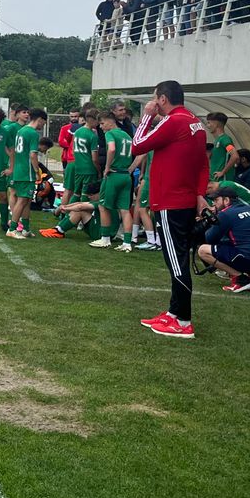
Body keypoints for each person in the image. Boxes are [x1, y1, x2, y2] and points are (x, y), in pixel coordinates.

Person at [131, 80, 209, 339]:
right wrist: (199, 194)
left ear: (163, 99)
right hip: (181, 199)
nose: (154, 102)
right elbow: (202, 165)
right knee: (177, 259)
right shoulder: (195, 122)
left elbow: (138, 145)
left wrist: (146, 117)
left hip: (171, 201)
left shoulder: (173, 121)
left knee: (176, 262)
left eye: (155, 98)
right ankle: (174, 313)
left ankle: (184, 322)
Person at [196, 185, 250, 294]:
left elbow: (209, 238)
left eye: (216, 200)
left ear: (227, 200)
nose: (213, 204)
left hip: (247, 259)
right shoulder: (248, 208)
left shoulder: (226, 214)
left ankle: (240, 279)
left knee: (202, 250)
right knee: (233, 243)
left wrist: (209, 222)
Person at [90, 111, 136, 251]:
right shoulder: (127, 135)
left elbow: (111, 149)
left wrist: (107, 168)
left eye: (103, 124)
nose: (102, 127)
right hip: (126, 176)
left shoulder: (110, 134)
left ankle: (105, 239)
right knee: (125, 210)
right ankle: (127, 243)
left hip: (114, 174)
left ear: (110, 121)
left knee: (103, 206)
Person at [8, 109, 47, 238]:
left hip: (19, 169)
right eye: (43, 123)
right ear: (40, 119)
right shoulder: (32, 133)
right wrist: (37, 172)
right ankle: (12, 229)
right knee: (23, 199)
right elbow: (32, 154)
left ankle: (26, 228)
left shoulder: (21, 130)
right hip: (26, 171)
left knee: (27, 200)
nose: (43, 126)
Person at [63, 109, 101, 208]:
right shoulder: (92, 136)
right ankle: (83, 218)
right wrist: (99, 170)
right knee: (86, 194)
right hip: (89, 169)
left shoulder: (77, 132)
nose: (99, 123)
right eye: (98, 120)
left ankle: (65, 213)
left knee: (76, 193)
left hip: (78, 167)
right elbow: (94, 158)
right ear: (91, 120)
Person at [131, 152, 159, 251]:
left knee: (142, 209)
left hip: (151, 177)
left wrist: (129, 170)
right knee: (156, 209)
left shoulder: (151, 139)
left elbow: (141, 155)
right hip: (157, 176)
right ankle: (158, 241)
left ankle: (151, 241)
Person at [206, 113, 237, 182]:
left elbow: (235, 156)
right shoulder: (218, 140)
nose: (207, 125)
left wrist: (223, 172)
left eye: (208, 123)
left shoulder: (225, 139)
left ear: (216, 124)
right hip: (215, 180)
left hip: (222, 180)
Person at [57, 109, 78, 179]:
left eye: (75, 116)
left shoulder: (82, 128)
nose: (74, 118)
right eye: (72, 116)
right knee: (67, 177)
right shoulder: (64, 128)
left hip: (79, 157)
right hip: (66, 157)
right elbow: (61, 141)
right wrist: (70, 146)